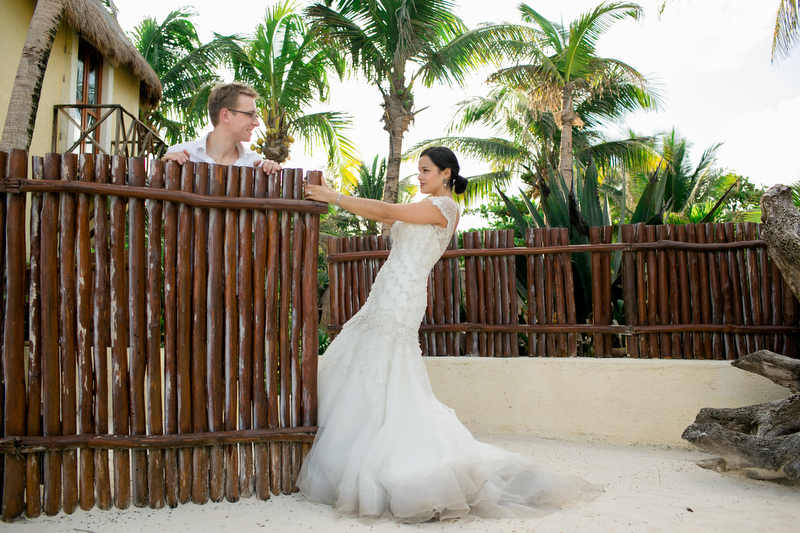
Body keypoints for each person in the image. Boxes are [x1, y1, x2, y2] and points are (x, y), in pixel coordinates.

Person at [300, 147, 602, 523]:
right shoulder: (425, 204)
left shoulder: (444, 208)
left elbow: (387, 212)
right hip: (387, 290)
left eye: (425, 170)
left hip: (402, 298)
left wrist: (334, 197)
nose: (419, 177)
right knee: (362, 360)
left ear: (447, 174)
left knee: (388, 367)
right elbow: (389, 220)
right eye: (418, 171)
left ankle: (395, 459)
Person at [161, 82, 281, 173]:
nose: (257, 123)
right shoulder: (178, 155)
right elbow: (155, 204)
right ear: (225, 116)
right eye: (250, 114)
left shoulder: (255, 164)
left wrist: (270, 173)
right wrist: (163, 172)